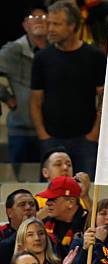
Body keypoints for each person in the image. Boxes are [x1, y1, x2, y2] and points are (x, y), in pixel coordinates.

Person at [30, 0, 106, 179]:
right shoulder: (42, 58)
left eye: (56, 24)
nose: (50, 29)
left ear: (72, 26)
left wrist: (94, 134)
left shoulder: (93, 56)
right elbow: (35, 100)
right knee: (50, 194)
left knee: (84, 189)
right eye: (49, 23)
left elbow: (104, 98)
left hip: (86, 139)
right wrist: (43, 135)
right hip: (52, 139)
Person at [0, 6, 48, 171]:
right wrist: (5, 96)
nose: (38, 20)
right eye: (32, 17)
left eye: (42, 17)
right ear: (25, 24)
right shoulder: (13, 50)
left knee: (47, 177)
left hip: (50, 128)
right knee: (19, 178)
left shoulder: (57, 50)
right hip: (21, 125)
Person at [37, 176, 87, 260]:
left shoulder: (88, 224)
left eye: (53, 199)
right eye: (48, 199)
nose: (47, 203)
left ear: (70, 202)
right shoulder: (43, 225)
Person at [0, 189, 38, 264]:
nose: (28, 207)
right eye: (22, 204)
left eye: (32, 204)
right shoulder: (1, 234)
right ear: (9, 212)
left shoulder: (44, 235)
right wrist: (23, 229)